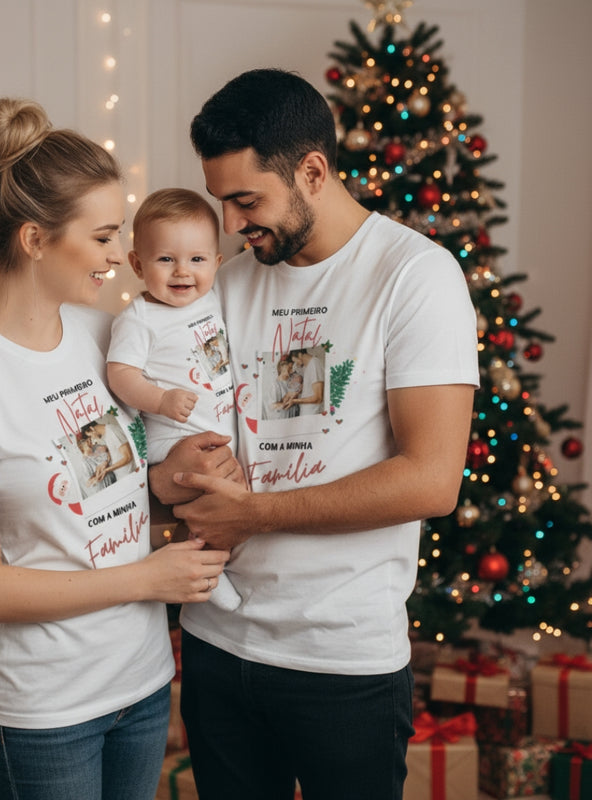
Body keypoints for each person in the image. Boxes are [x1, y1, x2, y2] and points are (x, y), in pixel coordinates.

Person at [148, 69, 480, 800]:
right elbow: (178, 432)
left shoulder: (416, 277)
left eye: (246, 200)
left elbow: (432, 479)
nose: (231, 224)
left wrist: (255, 513)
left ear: (313, 171)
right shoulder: (226, 286)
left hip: (344, 663)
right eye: (220, 203)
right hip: (217, 649)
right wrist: (174, 464)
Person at [0, 98, 232, 800]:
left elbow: (118, 492)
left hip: (142, 684)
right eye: (106, 236)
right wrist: (149, 580)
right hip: (41, 713)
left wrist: (177, 477)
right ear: (34, 239)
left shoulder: (103, 336)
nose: (123, 255)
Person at [107, 187, 242, 611]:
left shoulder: (212, 300)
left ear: (217, 264)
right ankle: (205, 572)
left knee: (228, 502)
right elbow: (120, 373)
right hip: (172, 438)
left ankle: (215, 563)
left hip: (218, 428)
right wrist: (161, 400)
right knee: (204, 502)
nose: (183, 272)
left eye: (197, 260)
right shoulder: (140, 318)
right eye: (166, 259)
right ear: (137, 264)